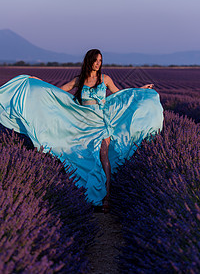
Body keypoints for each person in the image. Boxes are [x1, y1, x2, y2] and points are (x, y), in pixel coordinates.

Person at [0, 49, 163, 213]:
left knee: (104, 158)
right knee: (86, 158)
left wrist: (140, 90)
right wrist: (38, 82)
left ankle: (106, 198)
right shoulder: (80, 80)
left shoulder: (105, 79)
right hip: (83, 124)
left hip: (101, 123)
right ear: (89, 61)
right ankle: (90, 196)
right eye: (96, 60)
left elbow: (120, 95)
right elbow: (57, 92)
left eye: (100, 60)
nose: (98, 63)